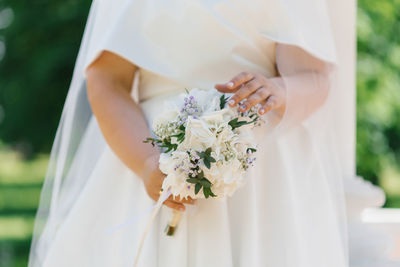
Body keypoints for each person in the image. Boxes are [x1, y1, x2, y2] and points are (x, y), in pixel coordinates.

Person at [28, 0, 349, 266]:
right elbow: (107, 81)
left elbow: (313, 77)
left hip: (260, 177)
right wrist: (147, 164)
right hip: (152, 151)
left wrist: (279, 91)